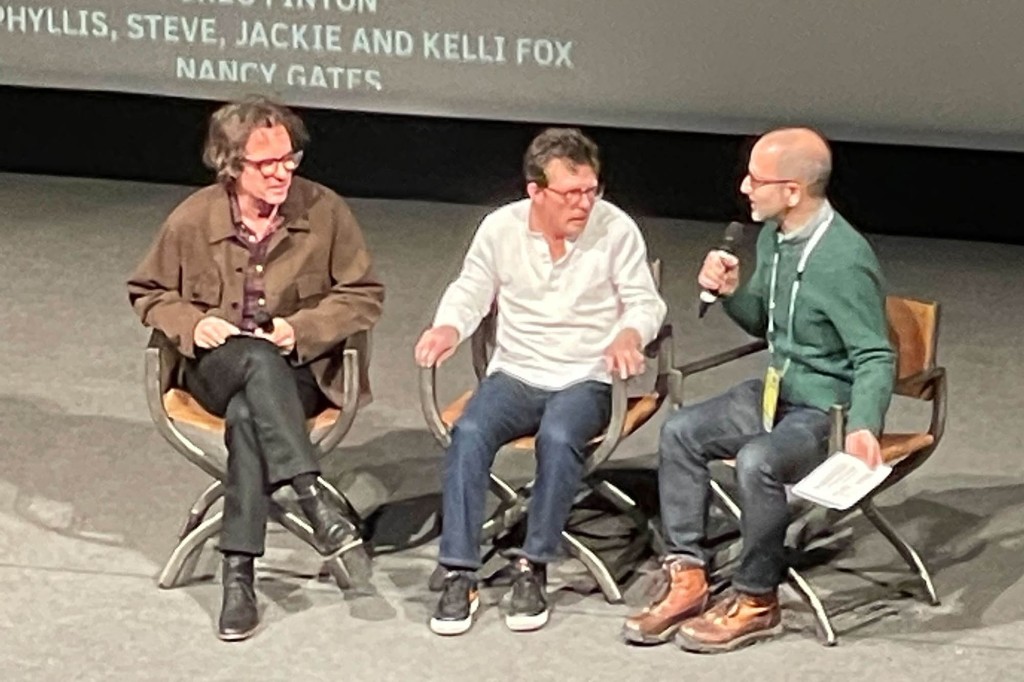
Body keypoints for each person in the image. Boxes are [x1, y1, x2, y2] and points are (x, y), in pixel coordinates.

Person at [623, 127, 895, 653]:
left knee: (757, 462)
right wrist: (729, 293)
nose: (745, 187)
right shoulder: (774, 235)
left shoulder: (844, 260)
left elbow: (875, 354)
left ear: (793, 191)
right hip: (776, 393)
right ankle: (688, 574)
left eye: (757, 178)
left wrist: (864, 424)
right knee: (681, 431)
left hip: (824, 409)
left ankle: (757, 598)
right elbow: (766, 324)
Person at [127, 96, 384, 641]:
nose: (281, 173)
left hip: (299, 372)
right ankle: (313, 497)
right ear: (230, 163)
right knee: (250, 365)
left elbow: (363, 295)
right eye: (266, 164)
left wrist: (304, 329)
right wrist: (193, 325)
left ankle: (237, 575)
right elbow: (148, 291)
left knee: (250, 415)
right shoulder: (193, 218)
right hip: (216, 367)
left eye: (288, 159)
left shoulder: (325, 210)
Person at [414, 128, 666, 636]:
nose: (583, 203)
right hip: (516, 372)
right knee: (468, 434)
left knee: (558, 436)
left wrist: (629, 334)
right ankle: (460, 570)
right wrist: (448, 326)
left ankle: (534, 564)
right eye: (570, 194)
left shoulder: (615, 229)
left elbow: (645, 300)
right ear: (535, 191)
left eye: (591, 190)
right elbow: (471, 289)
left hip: (587, 376)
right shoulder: (500, 228)